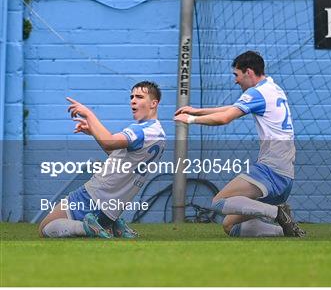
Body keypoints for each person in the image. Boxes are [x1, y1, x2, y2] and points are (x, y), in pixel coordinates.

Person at [174, 51, 304, 237]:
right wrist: (198, 111)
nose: (235, 80)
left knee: (219, 201)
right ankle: (287, 231)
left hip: (272, 171)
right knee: (230, 226)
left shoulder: (257, 92)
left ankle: (277, 213)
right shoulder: (273, 88)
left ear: (249, 72)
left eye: (237, 75)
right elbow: (234, 108)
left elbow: (225, 118)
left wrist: (191, 120)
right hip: (286, 176)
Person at [39, 81, 166, 238]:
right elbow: (119, 157)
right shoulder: (159, 134)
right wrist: (93, 132)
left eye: (139, 97)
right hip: (113, 207)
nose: (133, 100)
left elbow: (109, 141)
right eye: (132, 96)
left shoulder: (140, 130)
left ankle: (85, 227)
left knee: (44, 229)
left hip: (93, 195)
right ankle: (115, 226)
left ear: (154, 103)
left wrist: (89, 114)